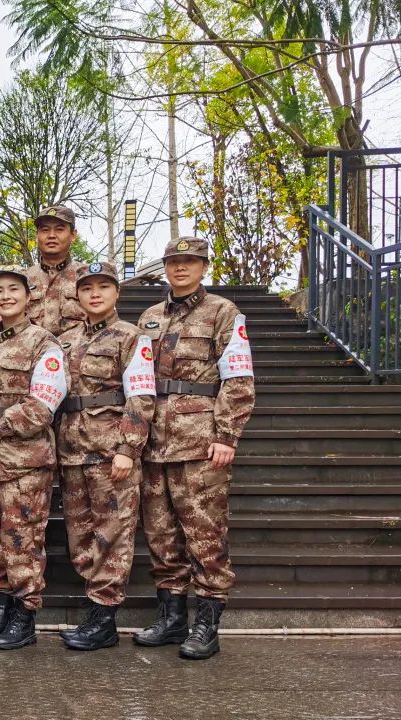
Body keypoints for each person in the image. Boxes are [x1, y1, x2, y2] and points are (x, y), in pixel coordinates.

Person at [135, 237, 255, 660]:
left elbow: (238, 378)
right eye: (173, 262)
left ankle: (207, 623)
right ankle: (172, 618)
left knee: (205, 535)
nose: (180, 268)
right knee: (161, 536)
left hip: (200, 442)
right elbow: (136, 378)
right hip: (153, 443)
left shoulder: (223, 312)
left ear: (204, 266)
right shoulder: (149, 317)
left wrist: (227, 435)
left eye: (189, 261)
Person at [0, 264, 68, 650]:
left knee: (22, 539)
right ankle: (0, 610)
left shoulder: (44, 343)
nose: (6, 296)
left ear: (28, 297)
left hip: (24, 460)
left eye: (14, 289)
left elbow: (44, 402)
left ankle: (24, 616)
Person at [56, 262, 156, 651]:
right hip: (72, 453)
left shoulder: (131, 337)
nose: (95, 294)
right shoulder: (64, 341)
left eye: (103, 287)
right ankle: (94, 609)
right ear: (77, 295)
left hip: (110, 453)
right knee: (80, 535)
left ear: (117, 292)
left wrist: (128, 448)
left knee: (112, 534)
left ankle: (104, 618)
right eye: (87, 288)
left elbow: (141, 395)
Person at [24, 205, 85, 337]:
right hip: (32, 349)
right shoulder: (23, 279)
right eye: (45, 230)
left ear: (73, 235)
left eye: (59, 229)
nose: (51, 235)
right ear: (37, 235)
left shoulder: (88, 277)